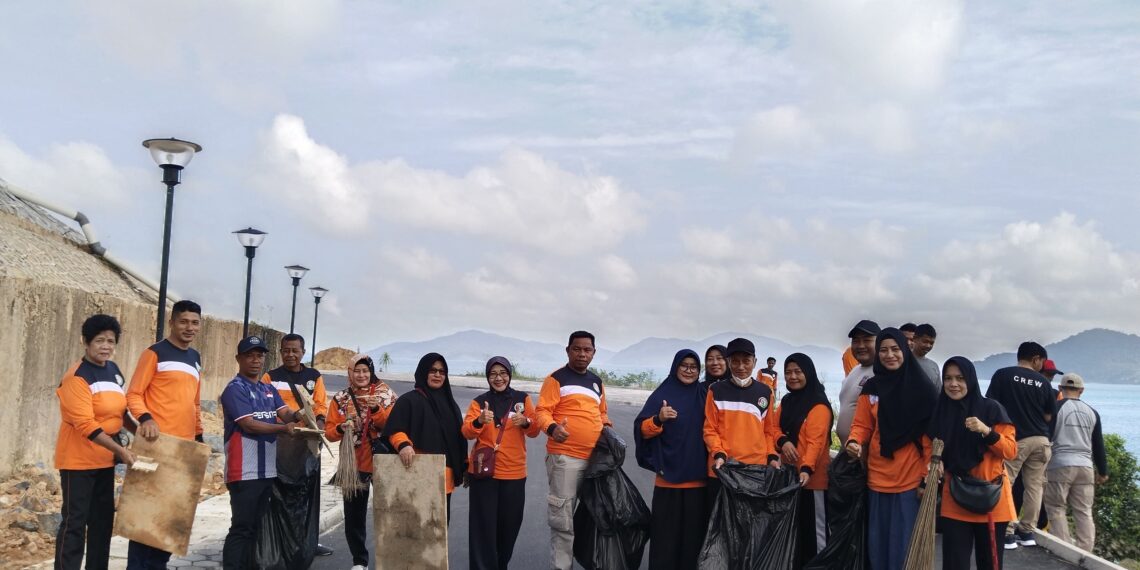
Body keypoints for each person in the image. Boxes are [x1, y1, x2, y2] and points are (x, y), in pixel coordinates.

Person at [845, 328, 936, 570]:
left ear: (905, 351)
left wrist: (928, 478)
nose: (889, 355)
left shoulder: (923, 390)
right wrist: (853, 442)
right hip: (877, 477)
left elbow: (931, 441)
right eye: (883, 350)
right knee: (878, 544)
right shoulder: (872, 388)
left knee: (903, 547)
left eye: (895, 349)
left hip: (909, 479)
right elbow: (862, 425)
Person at [124, 299, 204, 569]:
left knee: (170, 524)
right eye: (183, 321)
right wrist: (146, 418)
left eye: (194, 322)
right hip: (154, 447)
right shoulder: (154, 353)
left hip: (183, 451)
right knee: (144, 522)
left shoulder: (195, 358)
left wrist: (199, 435)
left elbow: (194, 401)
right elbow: (133, 394)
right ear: (171, 322)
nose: (189, 327)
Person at [54, 314, 136, 570]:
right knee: (74, 524)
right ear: (85, 342)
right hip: (78, 462)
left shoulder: (113, 371)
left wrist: (140, 430)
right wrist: (121, 450)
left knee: (102, 523)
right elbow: (86, 426)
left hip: (104, 461)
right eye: (99, 340)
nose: (106, 346)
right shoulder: (76, 377)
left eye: (111, 341)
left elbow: (120, 412)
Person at [219, 336, 304, 570]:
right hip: (243, 471)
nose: (256, 360)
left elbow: (286, 412)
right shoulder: (234, 389)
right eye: (250, 355)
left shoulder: (267, 388)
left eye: (260, 356)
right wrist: (283, 429)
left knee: (255, 527)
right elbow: (249, 424)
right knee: (241, 528)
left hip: (266, 471)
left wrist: (300, 414)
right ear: (239, 359)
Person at [929, 357, 1018, 570]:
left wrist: (987, 431)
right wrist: (934, 462)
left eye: (960, 378)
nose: (953, 384)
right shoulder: (940, 412)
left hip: (992, 499)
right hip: (956, 497)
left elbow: (1010, 450)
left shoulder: (992, 409)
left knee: (990, 564)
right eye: (948, 378)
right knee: (954, 564)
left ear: (971, 379)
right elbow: (929, 446)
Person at [535, 331, 613, 570]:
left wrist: (609, 432)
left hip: (595, 461)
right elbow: (541, 411)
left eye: (587, 349)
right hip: (565, 459)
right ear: (567, 350)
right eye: (577, 349)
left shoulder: (596, 381)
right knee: (563, 519)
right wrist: (552, 428)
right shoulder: (556, 379)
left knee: (597, 516)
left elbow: (601, 414)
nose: (582, 354)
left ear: (593, 352)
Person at [462, 356, 541, 570]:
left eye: (503, 373)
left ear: (509, 375)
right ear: (488, 376)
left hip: (514, 474)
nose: (498, 378)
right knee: (482, 529)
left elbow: (535, 430)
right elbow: (467, 432)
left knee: (509, 527)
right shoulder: (479, 402)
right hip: (484, 475)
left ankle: (500, 564)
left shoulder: (522, 399)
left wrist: (525, 422)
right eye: (493, 374)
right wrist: (480, 420)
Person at [634, 350, 709, 570]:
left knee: (692, 542)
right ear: (675, 367)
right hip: (668, 482)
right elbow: (642, 430)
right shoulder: (661, 395)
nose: (688, 370)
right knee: (665, 540)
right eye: (684, 365)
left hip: (698, 482)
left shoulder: (704, 395)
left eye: (693, 366)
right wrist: (659, 418)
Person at [262, 333, 334, 558]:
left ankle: (308, 543)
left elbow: (321, 404)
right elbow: (266, 406)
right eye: (286, 350)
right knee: (279, 495)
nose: (290, 355)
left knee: (307, 496)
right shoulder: (270, 377)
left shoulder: (314, 376)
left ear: (303, 352)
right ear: (280, 351)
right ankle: (280, 543)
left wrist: (318, 423)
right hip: (280, 445)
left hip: (307, 444)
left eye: (295, 350)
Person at [325, 354, 397, 570]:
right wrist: (341, 428)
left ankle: (393, 558)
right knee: (354, 516)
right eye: (357, 371)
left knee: (390, 512)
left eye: (365, 370)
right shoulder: (340, 398)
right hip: (353, 464)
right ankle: (359, 561)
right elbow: (329, 432)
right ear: (350, 373)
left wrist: (375, 409)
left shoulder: (385, 394)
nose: (362, 375)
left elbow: (392, 425)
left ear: (371, 372)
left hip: (383, 461)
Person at [984, 341, 1056, 550]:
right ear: (1036, 359)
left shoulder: (1003, 375)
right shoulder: (1043, 383)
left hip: (1015, 439)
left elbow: (990, 404)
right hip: (1042, 440)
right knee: (1034, 487)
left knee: (1007, 483)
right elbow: (1049, 415)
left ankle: (1006, 533)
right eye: (1041, 362)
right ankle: (1027, 532)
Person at [383, 353, 468, 521]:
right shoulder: (409, 401)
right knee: (414, 529)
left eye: (442, 372)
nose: (437, 375)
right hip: (416, 474)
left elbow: (458, 439)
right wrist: (404, 445)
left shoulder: (451, 405)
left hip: (444, 478)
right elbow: (394, 429)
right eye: (432, 370)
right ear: (423, 372)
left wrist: (465, 464)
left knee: (439, 532)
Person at [770, 353, 833, 567]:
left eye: (798, 371)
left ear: (809, 372)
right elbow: (773, 427)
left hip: (813, 481)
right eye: (788, 372)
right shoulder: (787, 401)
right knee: (796, 532)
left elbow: (815, 443)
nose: (792, 376)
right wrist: (783, 441)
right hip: (791, 479)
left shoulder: (819, 405)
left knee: (816, 533)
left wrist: (806, 468)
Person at [703, 338, 778, 502]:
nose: (741, 367)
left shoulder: (765, 392)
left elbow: (768, 431)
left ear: (755, 361)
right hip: (722, 467)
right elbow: (710, 429)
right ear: (729, 362)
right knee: (719, 524)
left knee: (750, 524)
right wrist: (719, 453)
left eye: (746, 361)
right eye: (735, 361)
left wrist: (771, 456)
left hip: (755, 470)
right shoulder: (716, 390)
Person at [1044, 373, 1108, 551]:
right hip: (1085, 467)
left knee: (1056, 507)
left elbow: (1046, 437)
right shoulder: (1092, 412)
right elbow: (1098, 445)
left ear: (1060, 389)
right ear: (1082, 390)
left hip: (1060, 465)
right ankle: (1085, 552)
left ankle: (1065, 551)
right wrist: (1102, 472)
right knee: (1084, 511)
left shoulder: (1056, 408)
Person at [836, 319, 880, 445]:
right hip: (849, 450)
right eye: (856, 341)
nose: (860, 346)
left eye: (867, 340)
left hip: (865, 454)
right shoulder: (855, 370)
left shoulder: (881, 373)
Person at [912, 323, 941, 390]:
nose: (928, 346)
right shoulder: (902, 361)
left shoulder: (934, 366)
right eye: (925, 341)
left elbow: (939, 393)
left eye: (931, 343)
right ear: (915, 339)